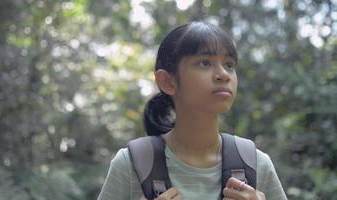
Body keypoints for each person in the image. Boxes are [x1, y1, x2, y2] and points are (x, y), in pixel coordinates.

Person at [97, 21, 287, 200]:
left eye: (229, 65)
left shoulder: (256, 164)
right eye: (205, 63)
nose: (223, 75)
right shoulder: (130, 164)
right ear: (168, 82)